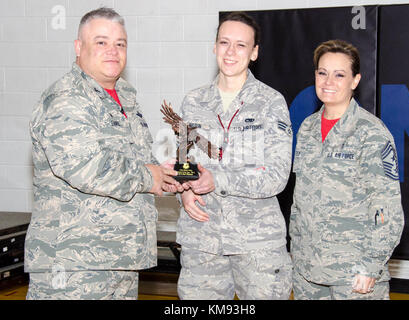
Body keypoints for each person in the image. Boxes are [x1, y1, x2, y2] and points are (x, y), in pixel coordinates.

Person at [24, 7, 182, 300]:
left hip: (120, 259)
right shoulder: (66, 99)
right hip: (73, 267)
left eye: (120, 43)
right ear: (78, 47)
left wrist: (163, 177)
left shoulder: (125, 98)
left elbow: (132, 165)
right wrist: (149, 176)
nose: (113, 51)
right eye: (101, 42)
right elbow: (87, 167)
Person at [175, 12, 293, 300]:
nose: (230, 52)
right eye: (224, 42)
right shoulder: (193, 101)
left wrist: (218, 179)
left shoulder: (271, 102)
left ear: (254, 53)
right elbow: (184, 162)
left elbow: (277, 176)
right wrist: (185, 193)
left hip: (257, 246)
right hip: (202, 240)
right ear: (214, 47)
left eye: (241, 45)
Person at [289, 39, 404, 300]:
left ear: (355, 81)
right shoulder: (307, 128)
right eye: (322, 73)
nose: (328, 81)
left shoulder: (371, 132)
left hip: (353, 275)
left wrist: (371, 264)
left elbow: (386, 207)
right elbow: (301, 197)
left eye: (339, 74)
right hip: (308, 271)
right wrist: (296, 251)